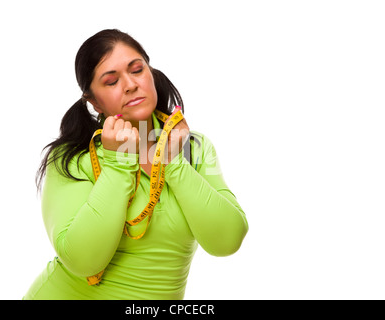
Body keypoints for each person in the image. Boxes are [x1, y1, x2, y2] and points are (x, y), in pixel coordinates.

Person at [23, 29, 248, 300]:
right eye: (111, 81)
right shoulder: (72, 158)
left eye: (137, 70)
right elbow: (83, 261)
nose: (130, 84)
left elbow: (227, 240)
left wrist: (173, 163)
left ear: (151, 73)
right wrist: (118, 165)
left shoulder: (194, 148)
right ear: (94, 101)